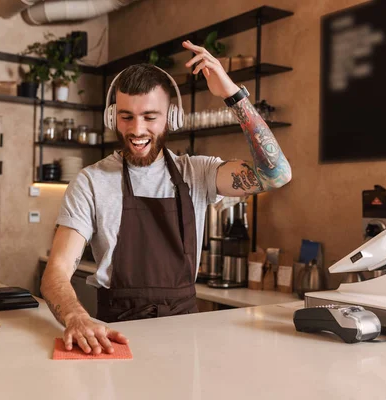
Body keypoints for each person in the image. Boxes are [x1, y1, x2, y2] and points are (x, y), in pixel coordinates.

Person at [41, 40, 292, 355]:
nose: (137, 129)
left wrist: (233, 94)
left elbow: (277, 174)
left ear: (172, 117)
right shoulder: (90, 181)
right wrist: (76, 317)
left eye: (150, 116)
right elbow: (56, 272)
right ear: (111, 118)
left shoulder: (198, 173)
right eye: (126, 117)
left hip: (185, 333)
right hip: (118, 334)